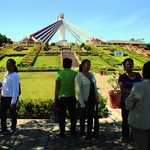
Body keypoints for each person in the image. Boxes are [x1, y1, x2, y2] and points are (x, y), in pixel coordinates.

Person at [125, 61, 150, 150]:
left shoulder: (139, 87)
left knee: (141, 146)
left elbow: (129, 105)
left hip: (140, 123)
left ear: (143, 73)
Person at [75, 59, 100, 140]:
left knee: (90, 117)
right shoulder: (79, 76)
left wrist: (98, 98)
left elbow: (95, 87)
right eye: (87, 64)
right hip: (84, 100)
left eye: (90, 64)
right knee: (83, 118)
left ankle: (89, 133)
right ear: (82, 65)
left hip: (92, 99)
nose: (89, 66)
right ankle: (82, 133)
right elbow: (78, 91)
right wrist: (82, 103)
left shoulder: (91, 74)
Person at [118, 58, 142, 142]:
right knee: (125, 120)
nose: (130, 66)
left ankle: (133, 136)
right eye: (128, 64)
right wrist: (134, 92)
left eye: (131, 64)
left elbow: (141, 86)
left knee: (135, 119)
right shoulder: (122, 77)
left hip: (136, 102)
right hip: (126, 101)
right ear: (124, 66)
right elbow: (122, 89)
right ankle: (125, 136)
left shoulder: (138, 75)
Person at [54, 57, 78, 138]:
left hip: (62, 98)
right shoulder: (75, 74)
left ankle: (62, 133)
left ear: (63, 64)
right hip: (72, 97)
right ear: (71, 64)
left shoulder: (59, 73)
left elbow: (57, 87)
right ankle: (73, 132)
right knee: (73, 116)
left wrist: (55, 98)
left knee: (62, 116)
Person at [0, 58, 20, 135]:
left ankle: (13, 128)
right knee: (2, 113)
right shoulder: (6, 74)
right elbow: (4, 84)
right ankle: (4, 127)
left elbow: (16, 90)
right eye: (7, 65)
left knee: (12, 113)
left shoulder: (15, 76)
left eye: (10, 65)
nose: (8, 67)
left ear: (13, 66)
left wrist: (13, 101)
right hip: (4, 96)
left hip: (11, 97)